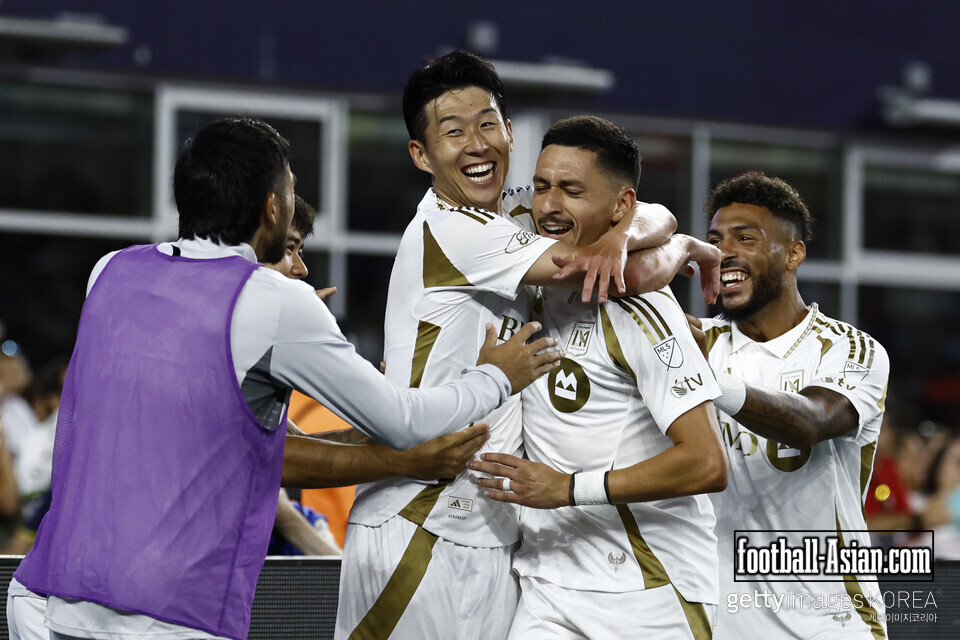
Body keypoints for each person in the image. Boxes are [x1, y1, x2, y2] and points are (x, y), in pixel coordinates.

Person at [8, 116, 559, 640]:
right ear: (273, 207)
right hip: (165, 612)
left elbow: (211, 427)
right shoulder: (274, 302)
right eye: (291, 190)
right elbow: (403, 422)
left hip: (57, 599)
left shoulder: (109, 272)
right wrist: (495, 376)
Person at [336, 51, 721, 640]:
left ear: (511, 133)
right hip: (422, 520)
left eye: (487, 123)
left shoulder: (517, 213)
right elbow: (624, 272)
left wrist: (658, 234)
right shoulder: (455, 230)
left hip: (496, 534)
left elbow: (645, 210)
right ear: (421, 154)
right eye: (452, 130)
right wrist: (680, 247)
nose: (476, 143)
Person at [469, 116, 727, 639]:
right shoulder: (526, 243)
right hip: (546, 585)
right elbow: (660, 216)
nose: (547, 205)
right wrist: (679, 243)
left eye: (571, 190)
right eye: (541, 186)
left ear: (618, 207)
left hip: (650, 592)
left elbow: (706, 463)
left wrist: (568, 489)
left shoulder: (645, 307)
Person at [688, 172, 889, 639]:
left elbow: (811, 422)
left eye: (746, 238)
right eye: (714, 240)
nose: (724, 253)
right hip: (722, 622)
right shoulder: (698, 342)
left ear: (794, 253)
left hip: (831, 623)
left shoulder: (849, 350)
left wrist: (701, 380)